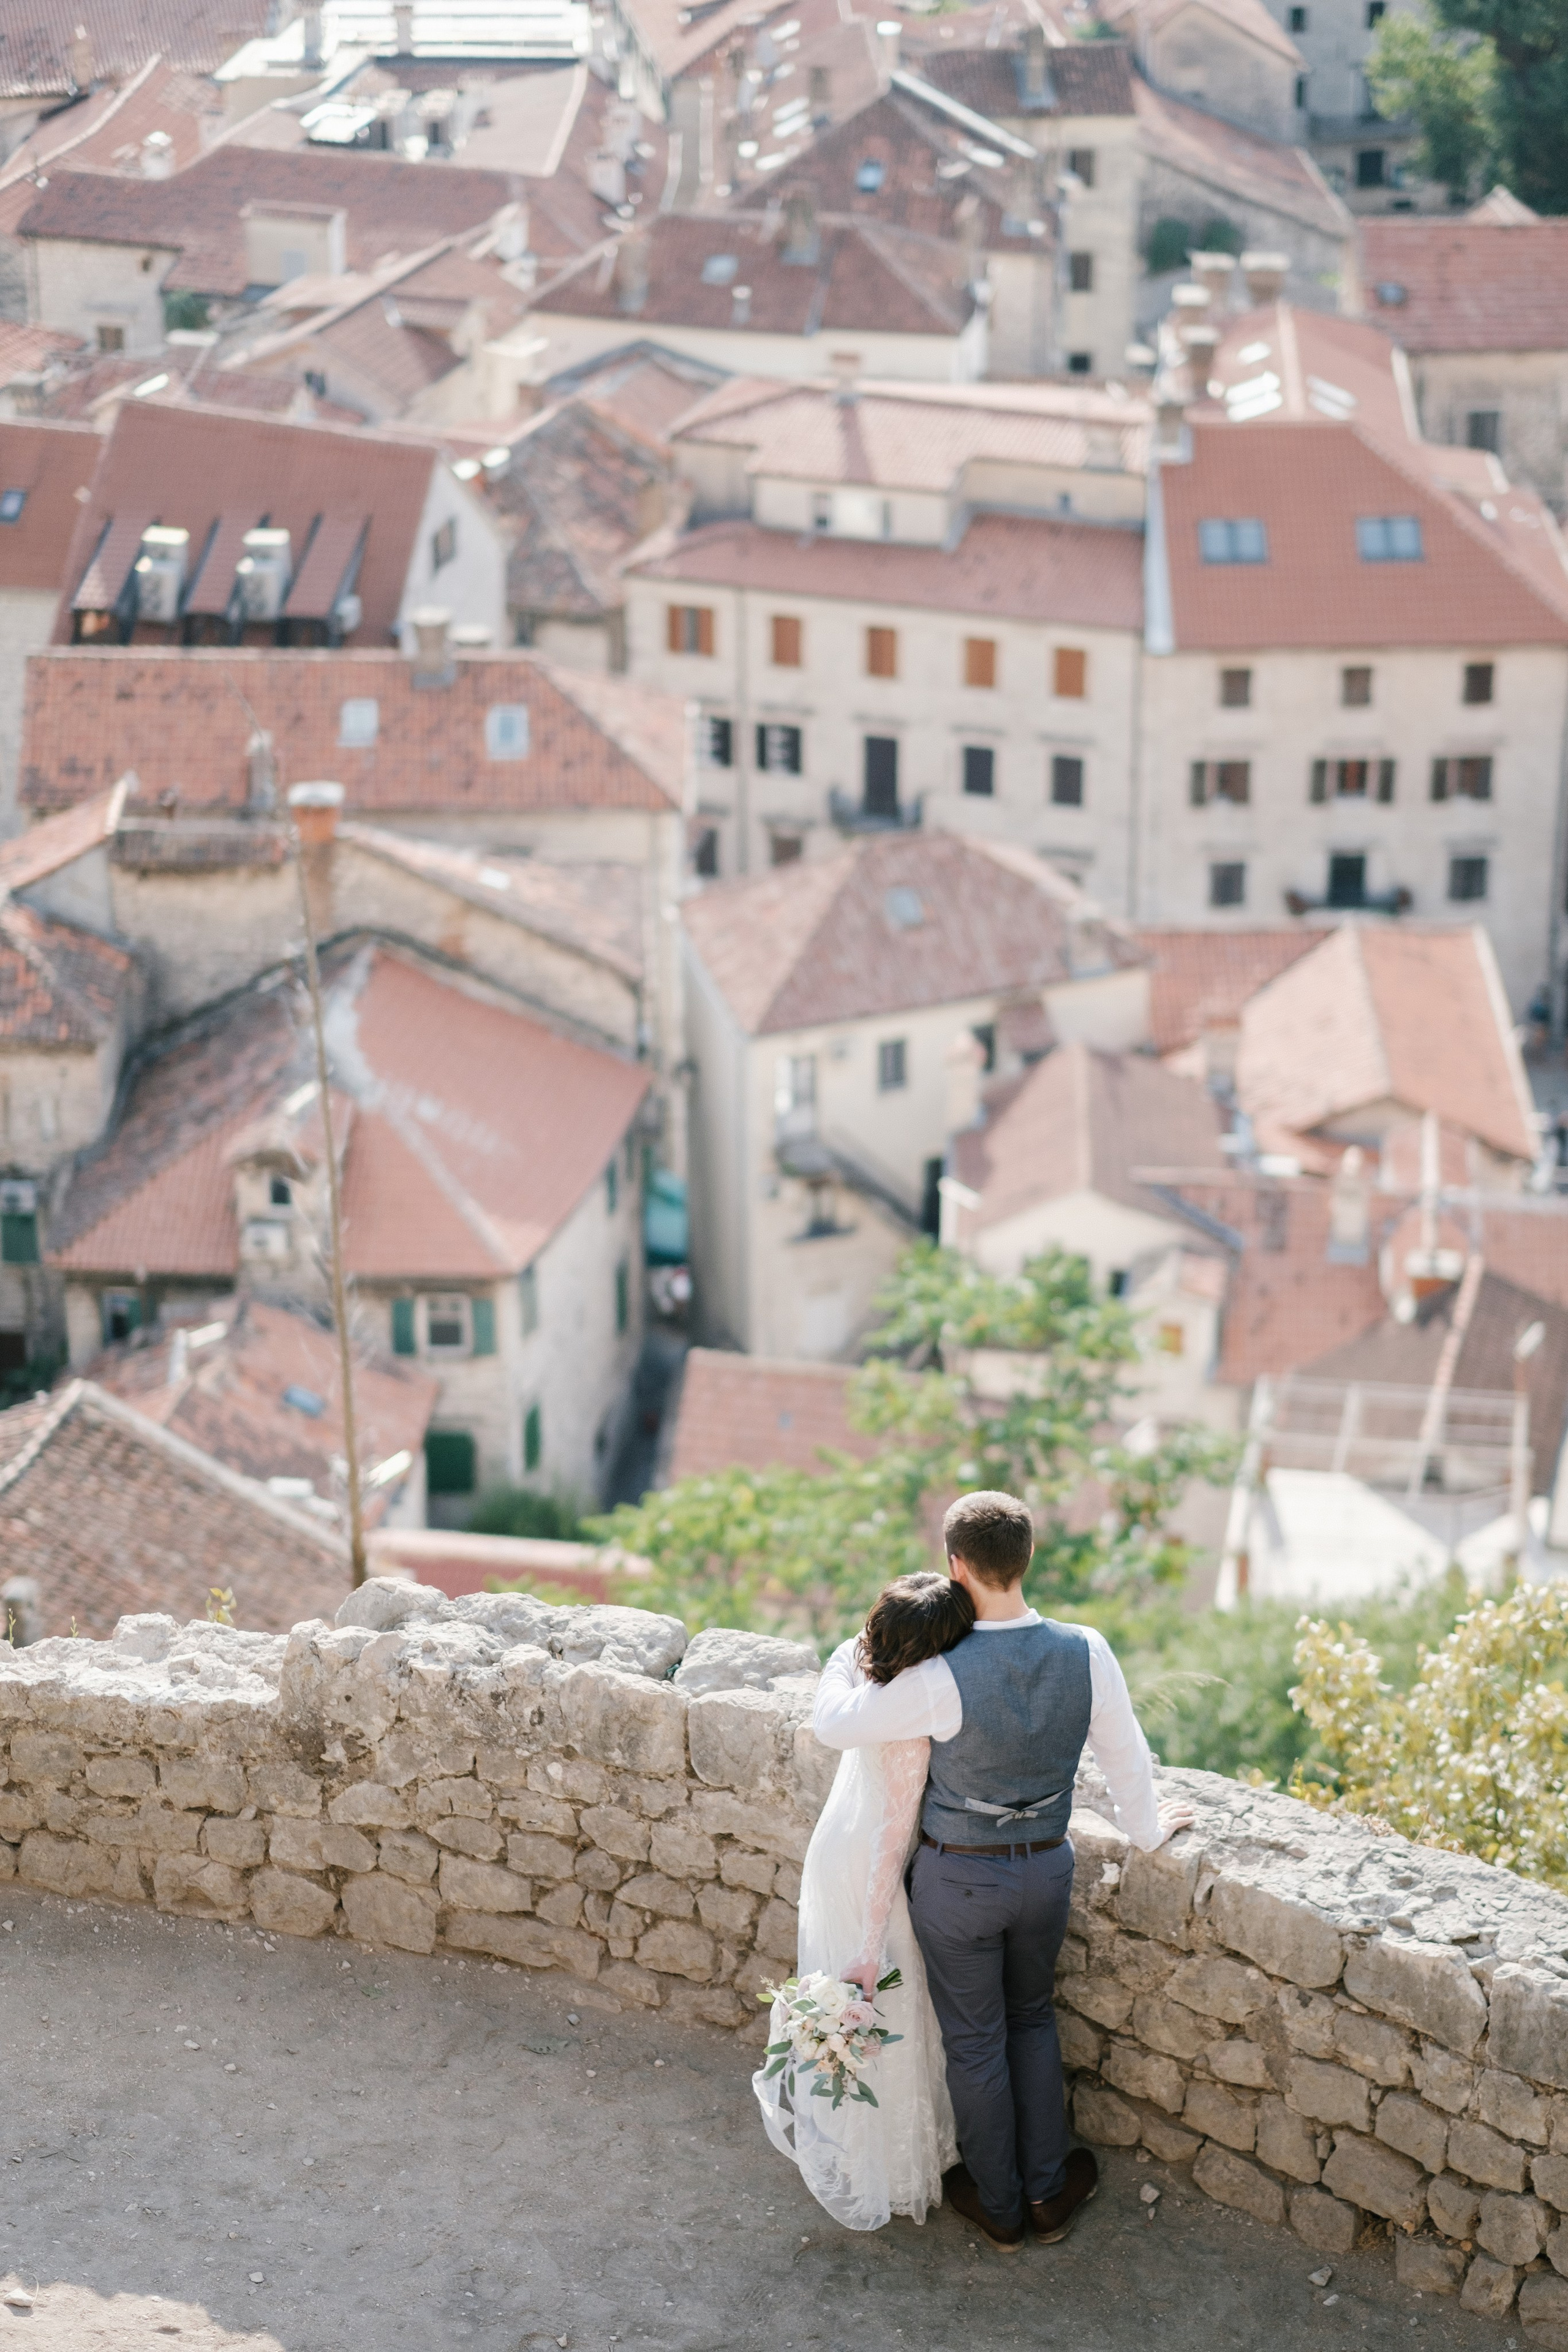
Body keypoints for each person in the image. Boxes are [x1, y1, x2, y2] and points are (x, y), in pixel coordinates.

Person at [811, 1490, 1196, 2255]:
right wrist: (1149, 1829)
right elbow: (1124, 1755)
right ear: (1027, 1559)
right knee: (1031, 2017)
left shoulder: (938, 1672)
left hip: (959, 1883)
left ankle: (998, 2205)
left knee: (976, 2040)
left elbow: (834, 1724)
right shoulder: (1086, 1649)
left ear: (955, 1565)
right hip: (1048, 1871)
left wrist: (843, 1658)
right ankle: (1049, 2191)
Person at [753, 1569, 976, 2231]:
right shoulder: (912, 1710)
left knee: (855, 2005)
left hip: (835, 1852)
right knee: (880, 1997)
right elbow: (893, 1830)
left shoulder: (864, 1671)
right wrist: (874, 1942)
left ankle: (857, 2144)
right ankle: (888, 2164)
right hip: (868, 1869)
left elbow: (846, 1658)